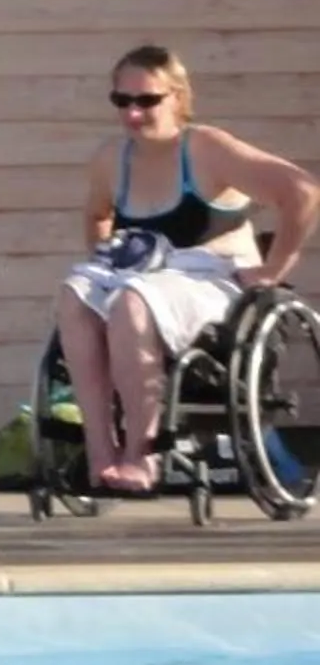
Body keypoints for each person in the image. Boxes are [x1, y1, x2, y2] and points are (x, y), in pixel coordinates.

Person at [57, 45, 320, 494]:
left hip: (212, 277)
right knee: (76, 293)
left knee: (131, 302)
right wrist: (104, 258)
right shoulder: (111, 159)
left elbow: (303, 191)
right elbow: (97, 214)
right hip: (144, 273)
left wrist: (275, 267)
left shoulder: (206, 149)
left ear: (177, 97)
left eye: (147, 100)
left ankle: (142, 455)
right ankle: (100, 451)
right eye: (122, 101)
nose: (133, 113)